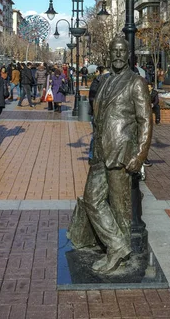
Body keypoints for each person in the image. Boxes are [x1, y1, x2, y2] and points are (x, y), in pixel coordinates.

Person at [70, 35, 152, 274]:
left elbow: (145, 121)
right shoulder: (104, 81)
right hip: (100, 152)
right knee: (92, 200)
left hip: (122, 152)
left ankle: (119, 255)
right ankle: (117, 246)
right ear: (109, 54)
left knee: (120, 207)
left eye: (121, 51)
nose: (117, 55)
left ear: (127, 54)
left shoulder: (135, 82)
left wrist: (139, 155)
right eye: (113, 51)